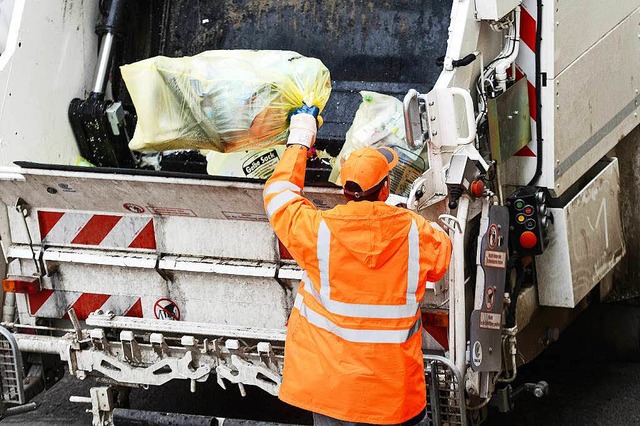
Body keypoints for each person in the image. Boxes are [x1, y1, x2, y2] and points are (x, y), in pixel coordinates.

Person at [263, 109, 452, 425]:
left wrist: (301, 134)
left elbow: (278, 193)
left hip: (331, 391)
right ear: (386, 189)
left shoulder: (317, 232)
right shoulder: (416, 233)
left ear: (344, 191)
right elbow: (442, 260)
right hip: (393, 397)